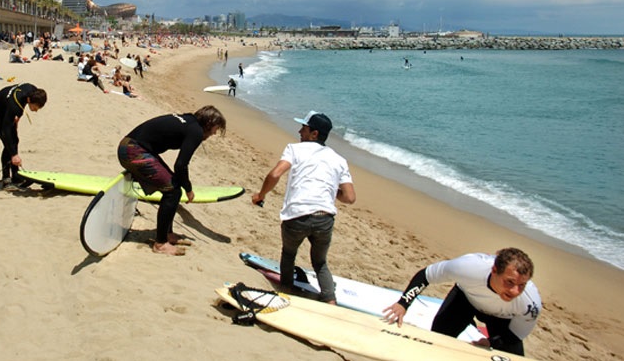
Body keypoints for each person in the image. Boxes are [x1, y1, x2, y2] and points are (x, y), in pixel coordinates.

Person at [251, 111, 356, 303]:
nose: (300, 131)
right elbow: (349, 197)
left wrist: (260, 195)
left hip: (296, 216)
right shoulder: (339, 160)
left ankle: (287, 291)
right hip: (325, 218)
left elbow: (275, 174)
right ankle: (330, 302)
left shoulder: (294, 149)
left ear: (314, 134)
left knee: (289, 254)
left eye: (304, 128)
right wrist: (330, 190)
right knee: (320, 262)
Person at [382, 248, 541, 355]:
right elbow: (426, 275)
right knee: (437, 342)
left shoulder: (529, 304)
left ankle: (473, 326)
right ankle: (468, 322)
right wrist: (403, 303)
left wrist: (491, 341)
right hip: (466, 300)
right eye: (510, 282)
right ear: (494, 271)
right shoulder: (468, 267)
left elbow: (514, 336)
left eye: (522, 285)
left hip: (502, 318)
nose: (515, 291)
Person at [117, 106, 227, 256]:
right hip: (133, 150)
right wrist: (188, 189)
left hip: (130, 145)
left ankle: (167, 234)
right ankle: (160, 243)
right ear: (209, 123)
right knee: (173, 191)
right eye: (215, 128)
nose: (214, 133)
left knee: (174, 188)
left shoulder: (189, 120)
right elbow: (181, 165)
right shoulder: (196, 131)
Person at [0, 83, 48, 187]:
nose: (36, 110)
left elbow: (21, 103)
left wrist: (17, 117)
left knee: (15, 140)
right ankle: (6, 179)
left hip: (7, 106)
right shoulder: (14, 106)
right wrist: (14, 155)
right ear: (30, 100)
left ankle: (15, 175)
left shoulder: (32, 90)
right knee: (8, 143)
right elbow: (6, 130)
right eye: (36, 107)